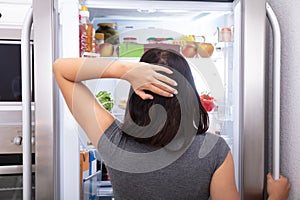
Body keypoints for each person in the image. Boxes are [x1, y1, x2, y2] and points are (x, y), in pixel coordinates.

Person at [53, 48, 290, 200]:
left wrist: (125, 70)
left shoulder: (113, 140)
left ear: (137, 94)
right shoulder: (213, 151)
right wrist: (276, 198)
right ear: (189, 94)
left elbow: (61, 70)